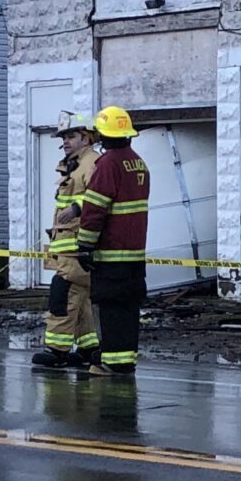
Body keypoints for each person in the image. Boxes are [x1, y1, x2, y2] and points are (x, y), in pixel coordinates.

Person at [73, 107, 150, 376]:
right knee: (129, 309)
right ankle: (126, 360)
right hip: (135, 255)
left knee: (110, 308)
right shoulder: (139, 163)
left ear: (103, 135)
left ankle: (111, 362)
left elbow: (95, 209)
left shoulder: (108, 164)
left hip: (111, 254)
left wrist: (84, 246)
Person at [33, 113, 101, 368]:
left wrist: (76, 207)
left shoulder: (92, 163)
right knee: (79, 297)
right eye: (63, 137)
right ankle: (88, 348)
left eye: (71, 136)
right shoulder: (74, 165)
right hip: (68, 247)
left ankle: (57, 350)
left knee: (64, 293)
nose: (65, 142)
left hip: (77, 247)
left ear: (86, 137)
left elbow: (100, 198)